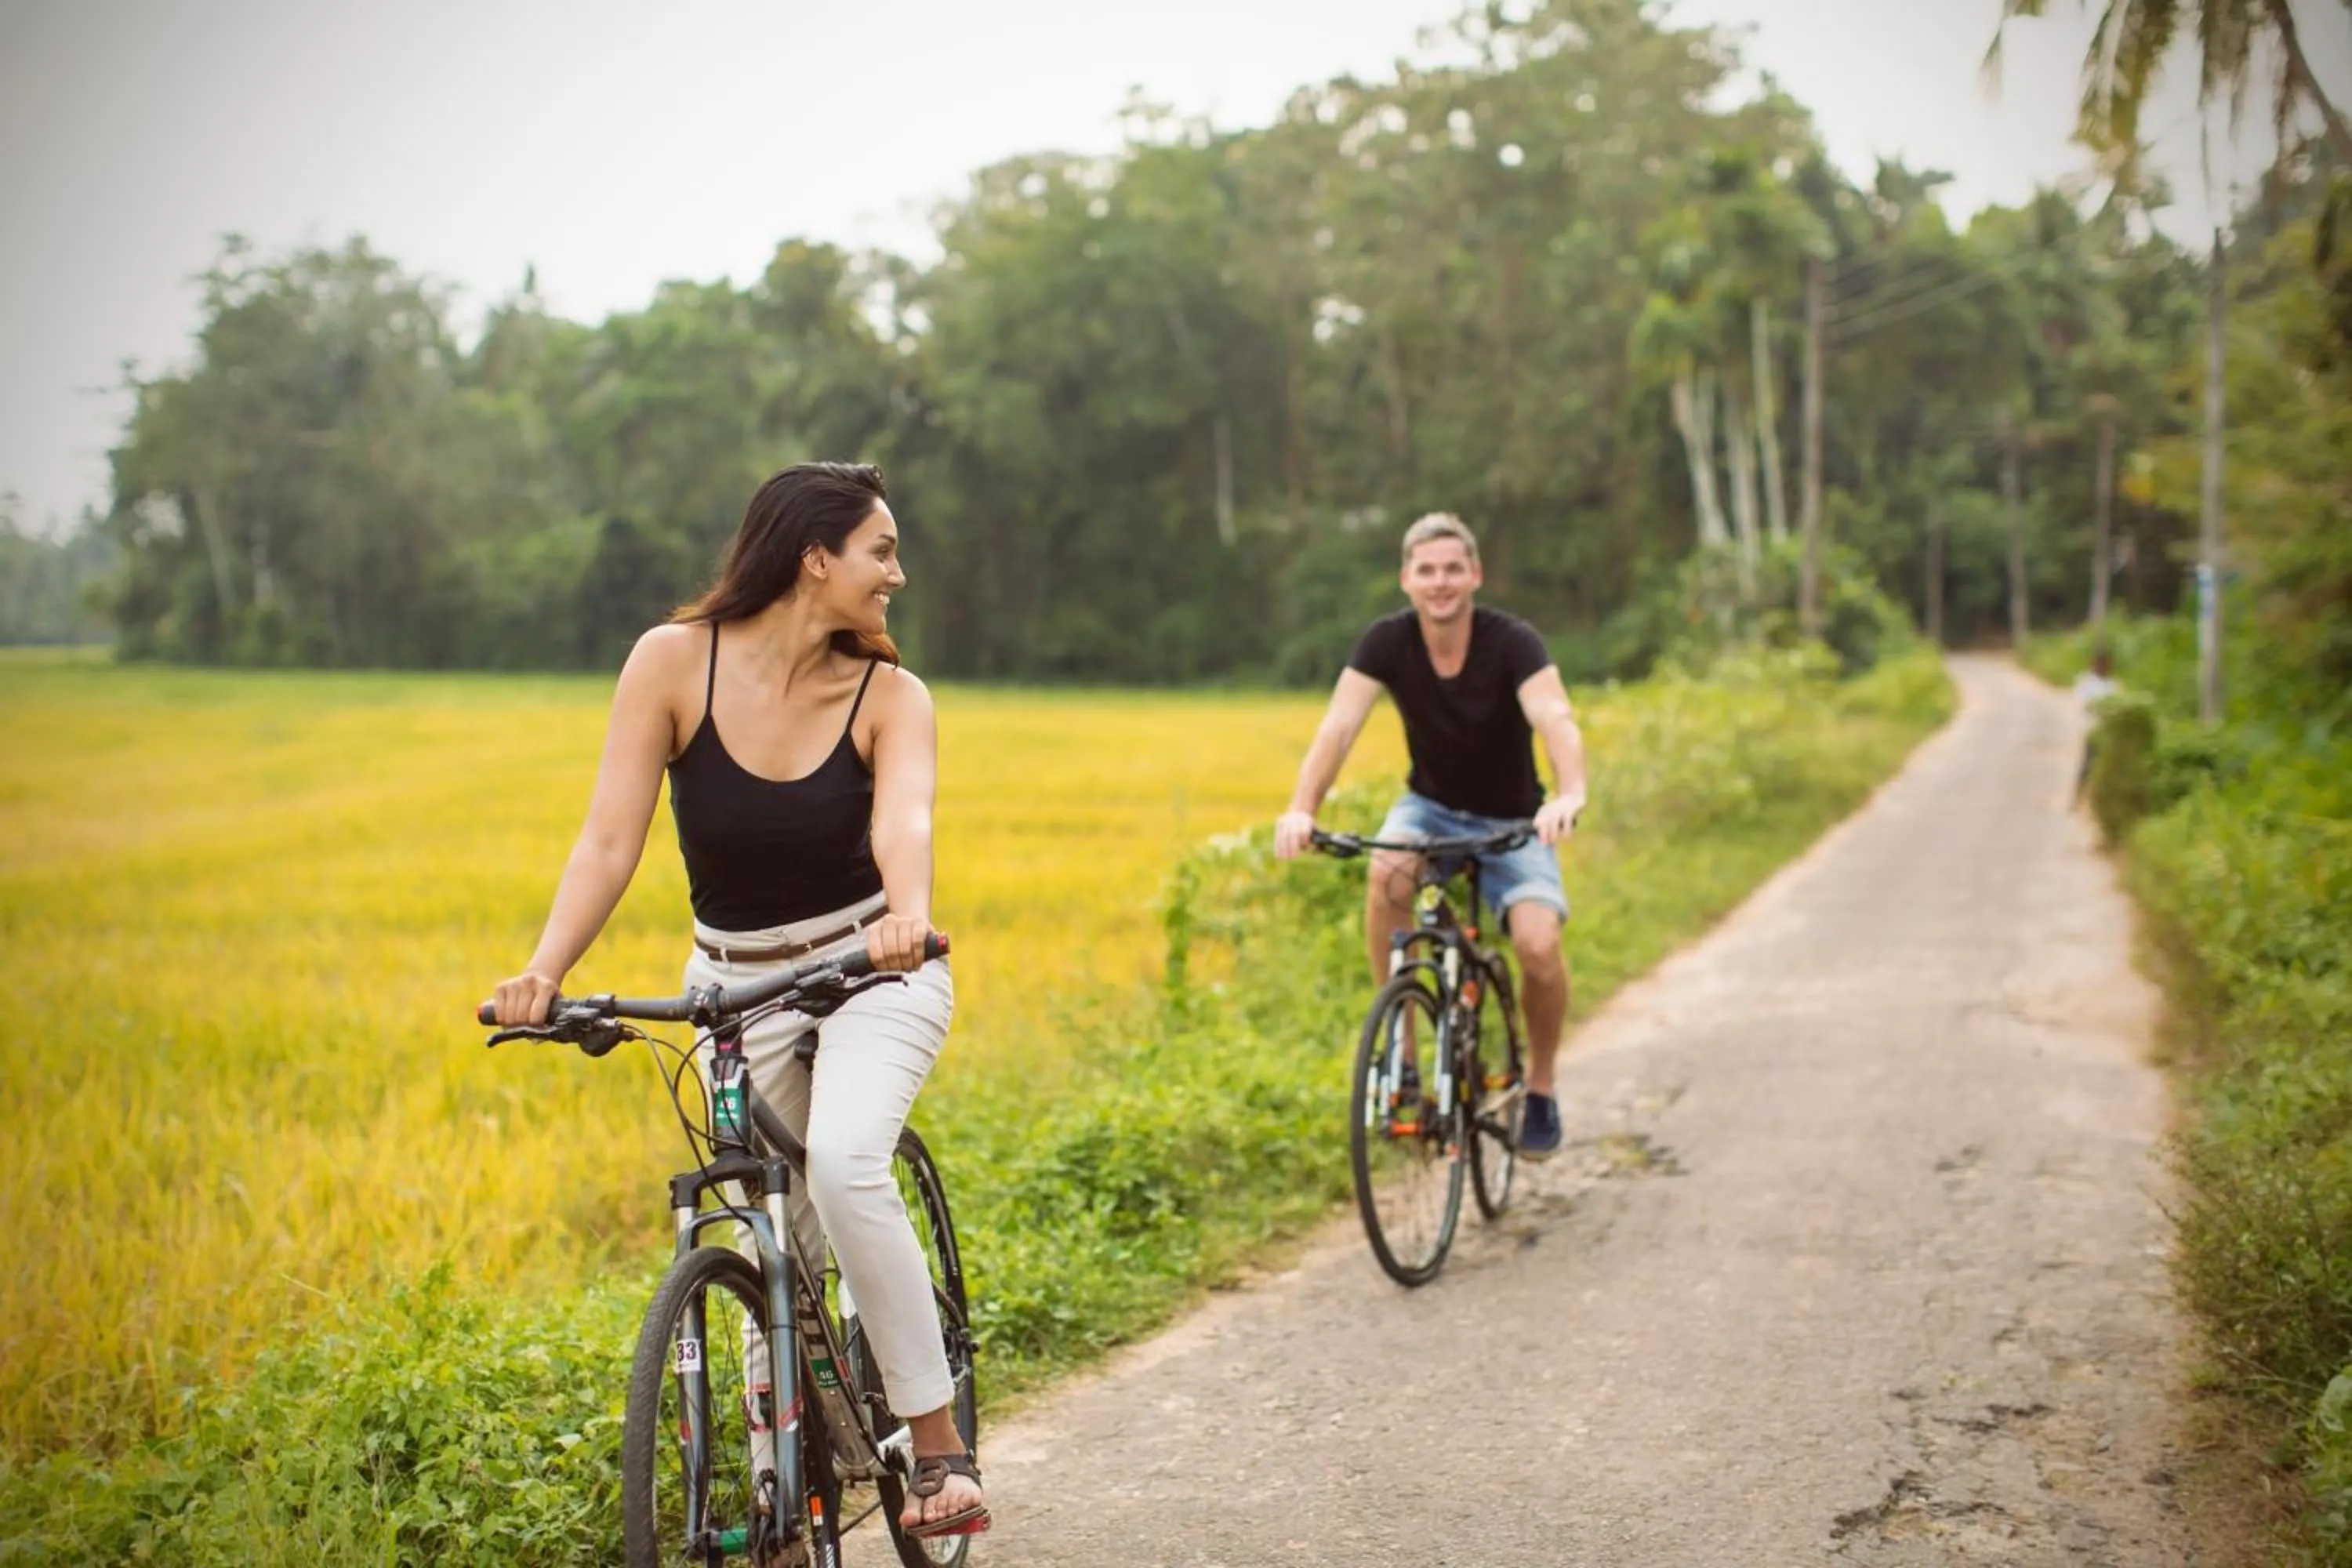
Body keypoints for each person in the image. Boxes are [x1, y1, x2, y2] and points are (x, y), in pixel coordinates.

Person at [487, 462, 985, 1539]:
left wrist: (908, 911)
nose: (898, 573)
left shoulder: (890, 696)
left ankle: (937, 1449)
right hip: (732, 984)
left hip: (871, 970)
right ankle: (788, 1493)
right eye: (881, 551)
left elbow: (908, 822)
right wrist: (545, 971)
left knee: (849, 1166)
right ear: (815, 559)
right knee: (767, 1237)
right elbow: (609, 837)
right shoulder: (671, 665)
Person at [1273, 512, 1589, 1159]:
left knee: (1537, 944)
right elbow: (1337, 728)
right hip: (1431, 809)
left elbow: (1555, 715)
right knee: (1387, 874)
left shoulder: (1513, 642)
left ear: (1474, 574)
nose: (1440, 582)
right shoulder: (1386, 643)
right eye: (1426, 571)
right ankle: (1406, 1052)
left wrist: (1570, 793)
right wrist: (1301, 808)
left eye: (1452, 569)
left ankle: (1542, 1088)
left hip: (1514, 822)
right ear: (1406, 581)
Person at [2071, 647, 2119, 800]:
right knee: (2088, 764)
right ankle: (2077, 797)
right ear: (2094, 664)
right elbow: (2083, 703)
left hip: (2108, 732)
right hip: (2092, 729)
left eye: (2106, 664)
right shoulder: (2085, 682)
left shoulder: (2113, 685)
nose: (2104, 667)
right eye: (2101, 664)